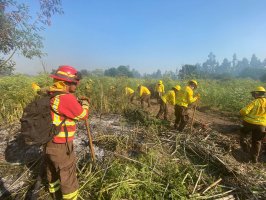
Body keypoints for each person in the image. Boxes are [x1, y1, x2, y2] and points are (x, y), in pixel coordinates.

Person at [45, 65, 89, 200]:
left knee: (52, 170)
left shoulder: (52, 94)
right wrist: (86, 103)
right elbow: (83, 115)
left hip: (49, 142)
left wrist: (76, 101)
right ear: (65, 83)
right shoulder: (65, 98)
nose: (76, 85)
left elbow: (63, 110)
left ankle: (54, 195)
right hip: (61, 144)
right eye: (75, 82)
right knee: (67, 173)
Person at [239, 86, 266, 163]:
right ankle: (254, 158)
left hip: (249, 123)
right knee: (257, 141)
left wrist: (240, 113)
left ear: (257, 94)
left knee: (243, 133)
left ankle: (245, 146)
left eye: (254, 94)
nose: (253, 95)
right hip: (261, 126)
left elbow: (244, 111)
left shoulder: (254, 102)